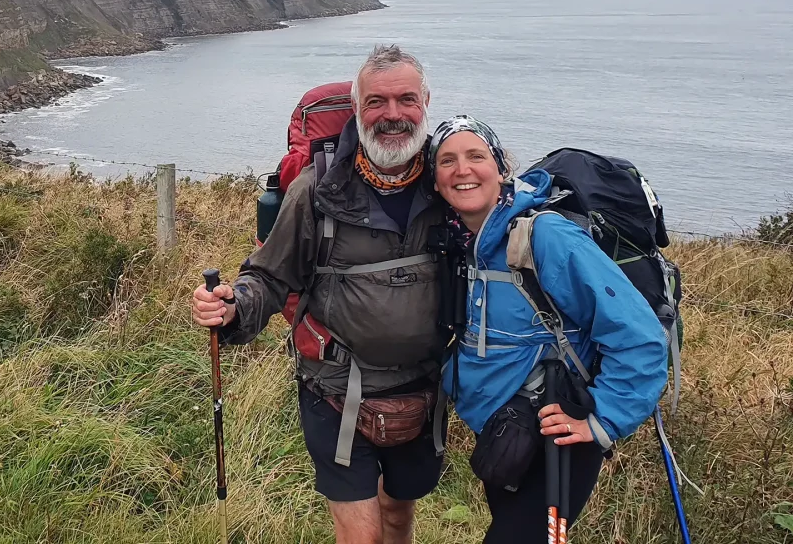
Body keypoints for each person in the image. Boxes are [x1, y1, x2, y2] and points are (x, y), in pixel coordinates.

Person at [192, 45, 451, 544]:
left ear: (426, 104)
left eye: (406, 100)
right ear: (356, 108)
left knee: (399, 515)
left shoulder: (448, 185)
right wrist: (233, 307)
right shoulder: (316, 189)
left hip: (424, 389)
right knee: (362, 536)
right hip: (335, 389)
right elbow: (269, 276)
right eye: (376, 102)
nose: (392, 115)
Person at [427, 115, 668, 543]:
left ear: (501, 167)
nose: (462, 170)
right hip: (502, 431)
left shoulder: (545, 236)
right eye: (447, 161)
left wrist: (602, 421)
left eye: (476, 156)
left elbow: (640, 335)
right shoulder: (462, 243)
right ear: (435, 180)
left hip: (559, 435)